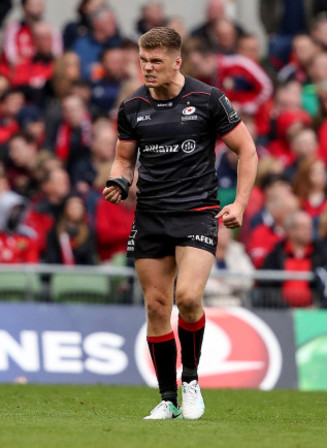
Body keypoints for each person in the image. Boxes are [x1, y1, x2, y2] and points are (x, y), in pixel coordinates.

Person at [102, 27, 258, 420]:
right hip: (150, 215)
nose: (148, 67)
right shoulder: (132, 106)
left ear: (177, 61)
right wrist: (119, 180)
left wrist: (239, 203)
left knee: (188, 298)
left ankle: (191, 380)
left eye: (156, 61)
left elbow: (248, 151)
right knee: (157, 306)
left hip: (196, 213)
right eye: (143, 59)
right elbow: (123, 159)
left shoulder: (208, 99)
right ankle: (168, 399)